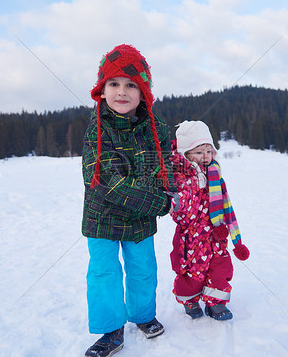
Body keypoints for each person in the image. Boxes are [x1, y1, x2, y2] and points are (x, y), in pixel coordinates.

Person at [81, 44, 175, 357]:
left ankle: (143, 315)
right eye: (114, 84)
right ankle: (111, 330)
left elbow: (166, 165)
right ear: (102, 89)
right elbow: (111, 183)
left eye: (131, 84)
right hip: (102, 218)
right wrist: (161, 203)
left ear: (144, 90)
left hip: (139, 221)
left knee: (143, 268)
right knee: (104, 273)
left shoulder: (157, 127)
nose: (122, 92)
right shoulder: (97, 128)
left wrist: (171, 190)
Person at [169, 120, 250, 321]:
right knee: (192, 271)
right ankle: (190, 300)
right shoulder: (179, 177)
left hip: (216, 232)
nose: (205, 156)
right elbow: (178, 210)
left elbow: (225, 203)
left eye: (208, 150)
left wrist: (232, 233)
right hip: (192, 236)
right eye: (198, 152)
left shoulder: (215, 173)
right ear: (185, 153)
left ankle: (216, 303)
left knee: (220, 267)